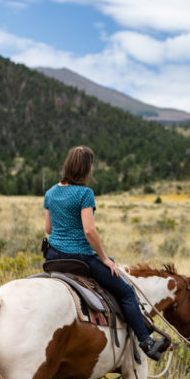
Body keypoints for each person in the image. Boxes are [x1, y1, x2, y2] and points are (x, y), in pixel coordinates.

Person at [43, 146, 168, 361]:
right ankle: (146, 341)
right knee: (126, 292)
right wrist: (103, 259)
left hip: (54, 257)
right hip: (80, 258)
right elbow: (89, 230)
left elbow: (48, 229)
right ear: (85, 168)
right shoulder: (84, 193)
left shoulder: (51, 192)